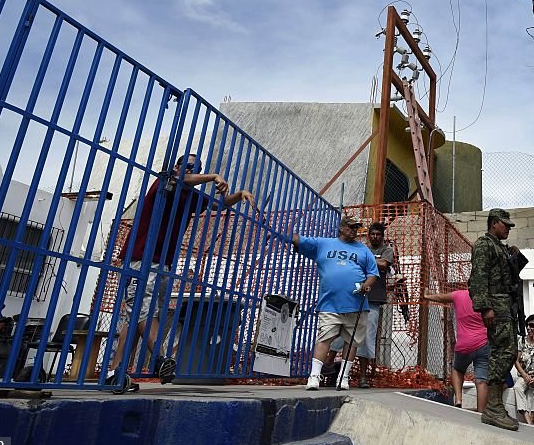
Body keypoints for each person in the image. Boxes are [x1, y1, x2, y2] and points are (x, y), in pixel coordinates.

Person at [107, 153, 258, 393]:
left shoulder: (191, 197)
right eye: (188, 167)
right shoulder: (165, 182)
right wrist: (213, 175)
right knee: (142, 309)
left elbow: (218, 205)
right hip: (140, 257)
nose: (192, 171)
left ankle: (114, 373)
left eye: (197, 168)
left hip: (164, 262)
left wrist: (239, 195)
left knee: (137, 316)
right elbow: (180, 179)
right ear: (177, 168)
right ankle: (161, 357)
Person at [291, 215, 379, 391]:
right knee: (325, 338)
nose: (354, 230)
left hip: (356, 304)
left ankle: (343, 377)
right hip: (329, 304)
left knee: (352, 342)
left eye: (356, 227)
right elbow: (297, 240)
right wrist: (284, 232)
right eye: (351, 226)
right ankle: (314, 376)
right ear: (341, 228)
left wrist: (366, 286)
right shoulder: (323, 243)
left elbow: (373, 273)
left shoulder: (364, 250)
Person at [468, 208, 528, 431]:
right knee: (503, 352)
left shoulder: (500, 248)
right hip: (496, 305)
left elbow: (507, 276)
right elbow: (478, 277)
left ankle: (495, 405)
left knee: (509, 351)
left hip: (506, 305)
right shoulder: (484, 245)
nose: (508, 229)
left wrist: (514, 256)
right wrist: (486, 308)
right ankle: (493, 407)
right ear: (494, 223)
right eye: (505, 225)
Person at [330, 221, 394, 388]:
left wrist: (366, 258)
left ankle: (363, 377)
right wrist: (372, 260)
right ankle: (327, 368)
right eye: (372, 234)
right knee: (339, 333)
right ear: (368, 235)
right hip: (353, 298)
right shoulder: (360, 248)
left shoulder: (386, 250)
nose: (375, 237)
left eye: (378, 234)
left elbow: (384, 264)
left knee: (366, 338)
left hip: (373, 300)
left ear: (382, 236)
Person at [423, 285, 489, 412]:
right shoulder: (485, 298)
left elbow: (440, 297)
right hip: (483, 343)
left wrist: (427, 295)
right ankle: (481, 412)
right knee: (481, 380)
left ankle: (458, 399)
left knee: (458, 369)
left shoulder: (459, 295)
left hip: (464, 344)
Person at [513, 315, 534, 426]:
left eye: (531, 325)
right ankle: (528, 421)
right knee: (517, 387)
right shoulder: (522, 341)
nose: (528, 328)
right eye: (527, 325)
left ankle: (532, 419)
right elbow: (516, 361)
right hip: (524, 375)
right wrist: (524, 375)